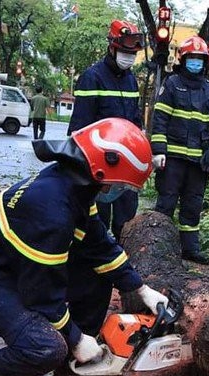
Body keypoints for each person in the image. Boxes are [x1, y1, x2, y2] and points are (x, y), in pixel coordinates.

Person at [0, 117, 168, 376]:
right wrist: (74, 339)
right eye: (120, 185)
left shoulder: (74, 186)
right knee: (45, 346)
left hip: (10, 267)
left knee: (96, 270)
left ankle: (72, 367)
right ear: (102, 171)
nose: (118, 191)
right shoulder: (51, 212)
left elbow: (99, 244)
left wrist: (140, 289)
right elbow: (42, 297)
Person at [150, 36, 209, 265]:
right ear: (183, 60)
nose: (195, 63)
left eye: (199, 59)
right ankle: (157, 248)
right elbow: (160, 120)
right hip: (173, 159)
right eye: (191, 58)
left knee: (193, 205)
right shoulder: (172, 85)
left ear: (205, 62)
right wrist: (158, 151)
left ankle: (190, 250)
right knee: (166, 204)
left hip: (199, 163)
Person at [68, 19, 144, 242]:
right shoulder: (92, 77)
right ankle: (93, 266)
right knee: (96, 221)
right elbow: (80, 125)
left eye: (132, 54)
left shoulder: (131, 80)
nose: (128, 57)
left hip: (126, 162)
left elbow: (135, 120)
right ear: (112, 47)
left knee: (126, 218)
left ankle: (120, 262)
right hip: (99, 163)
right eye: (124, 51)